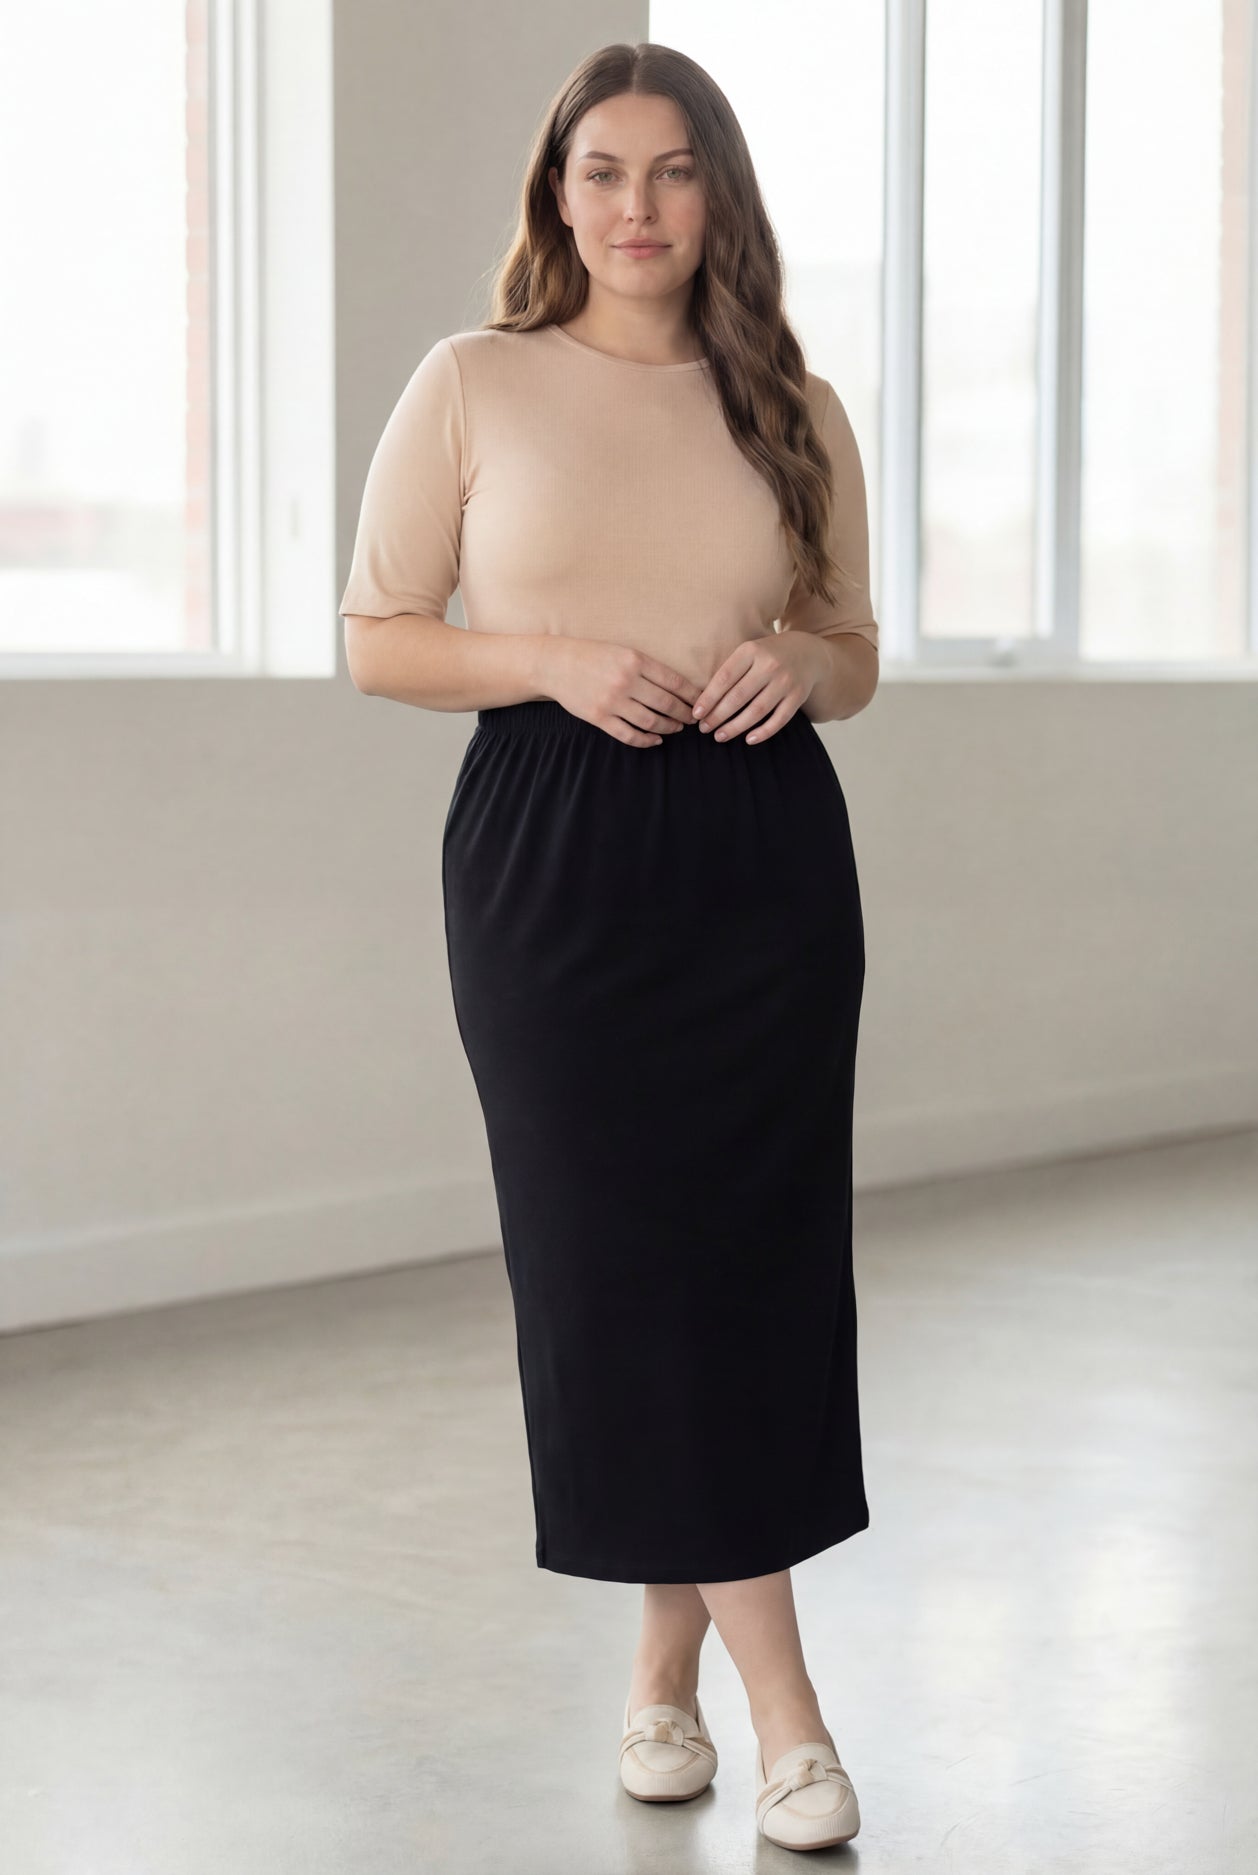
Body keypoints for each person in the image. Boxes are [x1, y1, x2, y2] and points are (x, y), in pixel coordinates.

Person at [339, 41, 879, 1854]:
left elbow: (853, 650)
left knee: (745, 1264)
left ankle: (665, 1687)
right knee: (615, 1259)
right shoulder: (474, 382)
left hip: (761, 852)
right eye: (599, 173)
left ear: (716, 192)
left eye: (669, 172)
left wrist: (797, 665)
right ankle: (790, 1711)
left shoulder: (789, 403)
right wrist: (556, 662)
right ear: (553, 196)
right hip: (552, 852)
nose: (634, 209)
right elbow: (378, 633)